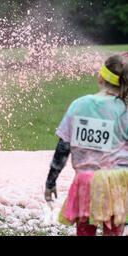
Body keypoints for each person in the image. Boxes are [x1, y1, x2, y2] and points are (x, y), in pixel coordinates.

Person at [44, 54, 128, 236]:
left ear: (100, 76)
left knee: (84, 232)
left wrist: (50, 181)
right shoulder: (124, 110)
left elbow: (63, 148)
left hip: (85, 181)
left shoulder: (78, 105)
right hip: (116, 181)